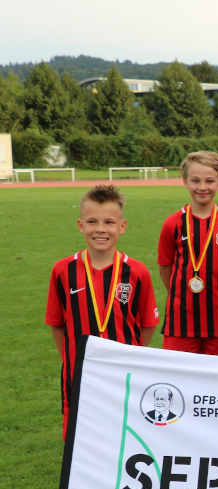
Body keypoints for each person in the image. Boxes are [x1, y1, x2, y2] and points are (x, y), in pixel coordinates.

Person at [46, 185, 159, 436]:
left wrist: (131, 354)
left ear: (122, 226)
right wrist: (70, 358)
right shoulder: (63, 271)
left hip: (123, 373)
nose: (100, 229)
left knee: (121, 438)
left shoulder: (137, 273)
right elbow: (56, 323)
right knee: (78, 441)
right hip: (78, 373)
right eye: (92, 222)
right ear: (80, 225)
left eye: (109, 222)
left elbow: (148, 324)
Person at [157, 151, 218, 355]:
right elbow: (165, 267)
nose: (203, 187)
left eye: (209, 181)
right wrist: (182, 296)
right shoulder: (173, 223)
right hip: (181, 322)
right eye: (195, 180)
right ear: (185, 182)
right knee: (178, 380)